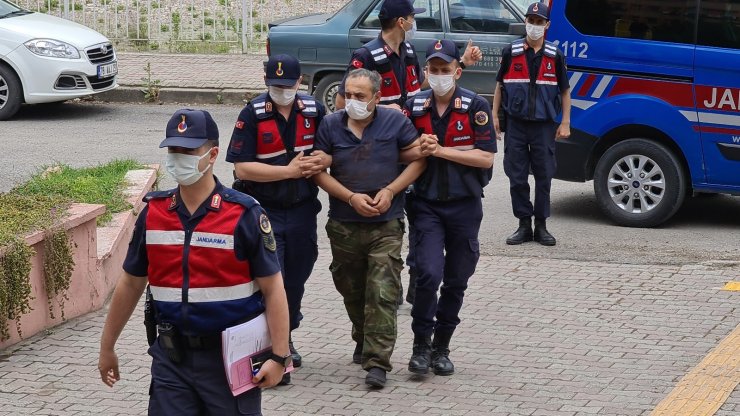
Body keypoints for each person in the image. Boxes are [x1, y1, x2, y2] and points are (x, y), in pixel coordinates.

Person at [98, 109, 291, 415]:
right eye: (173, 150)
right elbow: (131, 282)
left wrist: (280, 357)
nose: (179, 158)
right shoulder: (154, 213)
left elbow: (273, 289)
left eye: (189, 151)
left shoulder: (244, 215)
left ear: (212, 154)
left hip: (229, 361)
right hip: (171, 360)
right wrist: (107, 346)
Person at [336, 0, 483, 305]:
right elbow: (345, 104)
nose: (415, 23)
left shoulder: (409, 53)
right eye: (413, 18)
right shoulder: (366, 56)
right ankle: (386, 284)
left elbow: (426, 86)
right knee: (391, 219)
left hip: (414, 142)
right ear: (402, 22)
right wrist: (380, 111)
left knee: (417, 218)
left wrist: (462, 64)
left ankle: (418, 287)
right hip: (383, 150)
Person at [312, 68, 426, 388]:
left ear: (376, 97)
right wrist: (350, 197)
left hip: (385, 224)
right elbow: (319, 171)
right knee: (352, 289)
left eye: (360, 96)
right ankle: (362, 336)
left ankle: (378, 362)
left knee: (382, 290)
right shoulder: (330, 125)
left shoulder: (395, 123)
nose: (352, 101)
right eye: (348, 95)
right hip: (344, 224)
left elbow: (419, 159)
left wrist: (391, 190)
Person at [227, 54, 329, 383]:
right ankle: (276, 349)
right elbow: (241, 168)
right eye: (274, 85)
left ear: (300, 83)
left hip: (302, 211)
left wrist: (323, 159)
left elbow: (332, 148)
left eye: (287, 86)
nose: (280, 91)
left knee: (296, 279)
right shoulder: (253, 113)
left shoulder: (314, 111)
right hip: (265, 213)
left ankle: (288, 330)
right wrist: (287, 171)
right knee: (275, 281)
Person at [403, 39, 495, 376]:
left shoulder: (475, 106)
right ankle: (420, 346)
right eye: (434, 70)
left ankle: (442, 346)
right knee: (427, 274)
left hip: (464, 205)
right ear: (425, 72)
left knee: (456, 280)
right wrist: (419, 149)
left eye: (445, 70)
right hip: (426, 205)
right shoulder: (413, 106)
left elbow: (485, 156)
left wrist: (439, 151)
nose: (440, 75)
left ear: (458, 70)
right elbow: (399, 152)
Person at [492, 2, 571, 246]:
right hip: (516, 124)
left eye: (539, 22)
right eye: (531, 20)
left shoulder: (554, 55)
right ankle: (523, 225)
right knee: (516, 176)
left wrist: (565, 122)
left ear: (547, 25)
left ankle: (542, 225)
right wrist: (495, 115)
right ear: (525, 21)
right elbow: (499, 86)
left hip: (544, 125)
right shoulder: (511, 51)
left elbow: (565, 91)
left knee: (544, 176)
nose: (534, 26)